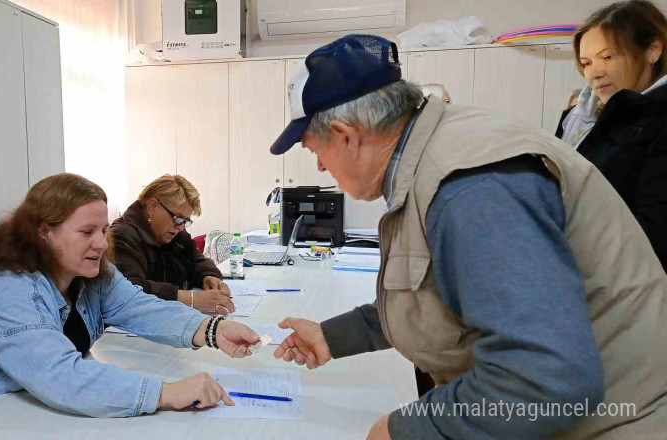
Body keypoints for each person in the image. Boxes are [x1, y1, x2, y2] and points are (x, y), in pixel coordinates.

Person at [268, 34, 667, 439]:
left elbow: (543, 379)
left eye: (313, 149)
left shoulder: (471, 187)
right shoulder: (432, 157)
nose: (319, 166)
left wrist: (403, 430)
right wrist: (331, 336)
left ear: (346, 134)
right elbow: (433, 295)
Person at [0, 174, 259, 439]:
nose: (100, 243)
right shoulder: (8, 290)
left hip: (22, 415)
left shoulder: (91, 274)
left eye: (103, 229)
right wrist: (167, 392)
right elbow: (61, 377)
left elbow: (140, 307)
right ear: (44, 232)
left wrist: (212, 330)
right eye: (86, 231)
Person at [556, 0, 667, 268]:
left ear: (652, 50)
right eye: (586, 63)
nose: (595, 73)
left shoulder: (659, 117)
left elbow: (654, 229)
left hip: (630, 280)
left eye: (608, 57)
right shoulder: (578, 118)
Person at [109, 174, 235, 314]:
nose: (181, 227)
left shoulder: (174, 231)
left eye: (185, 221)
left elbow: (197, 260)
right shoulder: (121, 235)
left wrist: (209, 276)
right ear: (152, 206)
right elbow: (130, 288)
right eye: (178, 218)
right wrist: (190, 298)